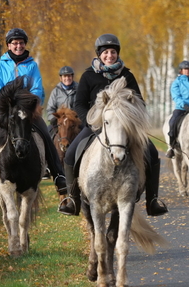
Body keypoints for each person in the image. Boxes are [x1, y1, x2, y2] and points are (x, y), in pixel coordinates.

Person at [58, 34, 168, 217]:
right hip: (95, 126)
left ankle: (152, 201)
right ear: (99, 54)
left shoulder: (127, 76)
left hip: (123, 129)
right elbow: (79, 104)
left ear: (117, 54)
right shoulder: (88, 76)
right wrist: (91, 122)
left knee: (153, 153)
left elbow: (139, 102)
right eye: (106, 52)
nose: (110, 55)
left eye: (113, 52)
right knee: (70, 154)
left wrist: (131, 121)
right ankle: (72, 200)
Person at [0, 28, 67, 195]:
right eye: (15, 43)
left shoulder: (32, 65)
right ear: (9, 45)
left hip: (28, 111)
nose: (18, 45)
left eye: (21, 42)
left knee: (46, 134)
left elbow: (38, 90)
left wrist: (23, 100)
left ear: (25, 44)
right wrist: (13, 98)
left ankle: (59, 176)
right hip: (5, 111)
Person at [46, 66, 78, 134]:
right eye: (65, 76)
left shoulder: (79, 89)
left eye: (69, 76)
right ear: (60, 78)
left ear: (72, 77)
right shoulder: (55, 91)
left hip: (75, 121)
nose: (67, 78)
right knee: (47, 133)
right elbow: (50, 109)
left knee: (87, 133)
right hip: (59, 121)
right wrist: (54, 119)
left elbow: (83, 105)